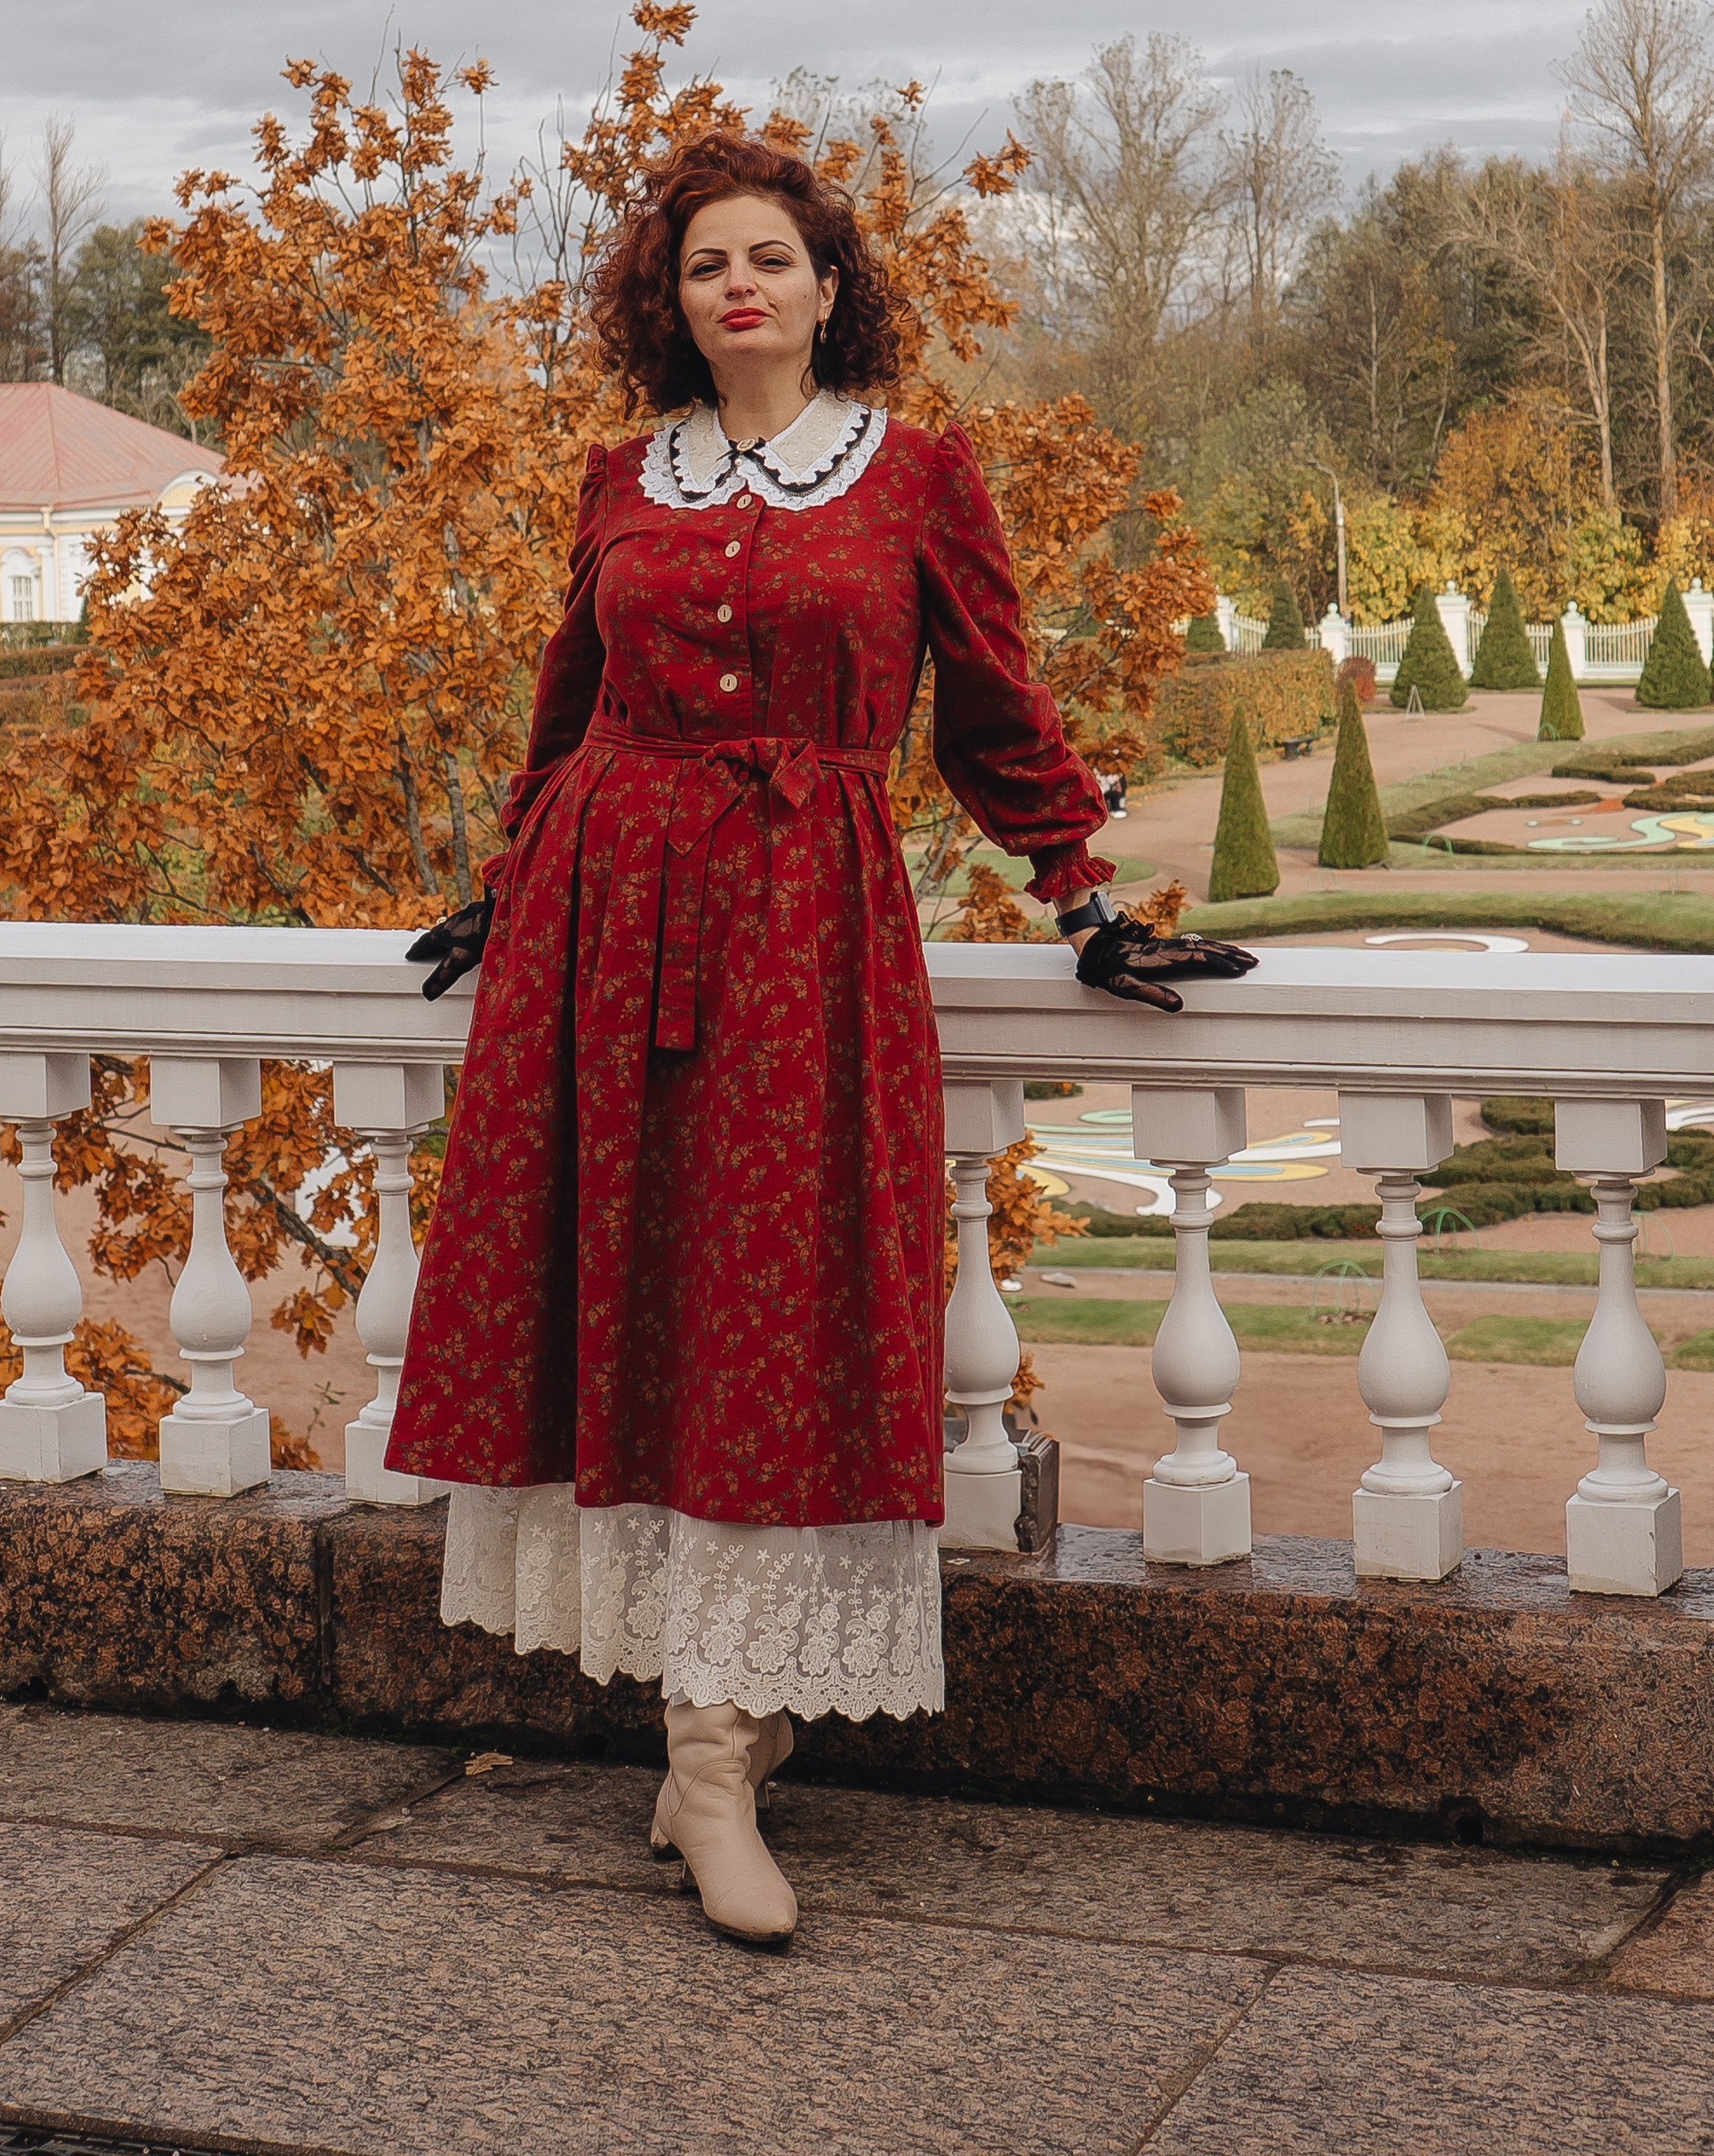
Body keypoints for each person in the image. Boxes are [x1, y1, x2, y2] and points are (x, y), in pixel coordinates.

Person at [387, 131, 1252, 1944]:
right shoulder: (621, 478)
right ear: (673, 300)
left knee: (771, 1305)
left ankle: (718, 1749)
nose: (740, 286)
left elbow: (994, 708)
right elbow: (569, 704)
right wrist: (510, 879)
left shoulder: (917, 475)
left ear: (828, 286)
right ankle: (708, 1755)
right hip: (605, 917)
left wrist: (1081, 898)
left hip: (805, 929)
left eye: (770, 257)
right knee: (639, 1302)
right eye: (707, 262)